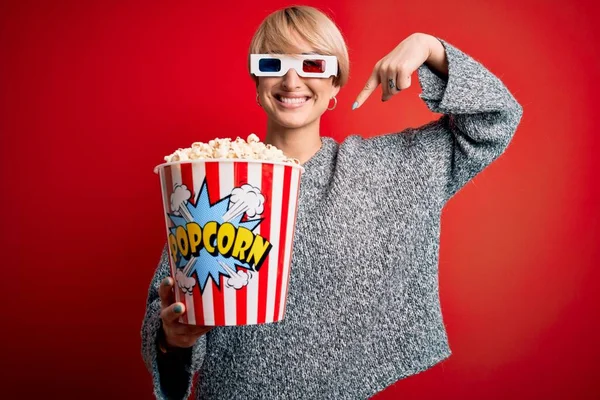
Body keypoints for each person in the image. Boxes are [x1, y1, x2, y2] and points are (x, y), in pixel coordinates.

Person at [141, 5, 523, 400]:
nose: (292, 80)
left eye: (313, 64)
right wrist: (173, 338)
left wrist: (428, 48)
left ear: (336, 83)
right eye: (274, 63)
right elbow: (166, 308)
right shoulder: (212, 180)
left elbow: (495, 119)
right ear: (257, 82)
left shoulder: (385, 170)